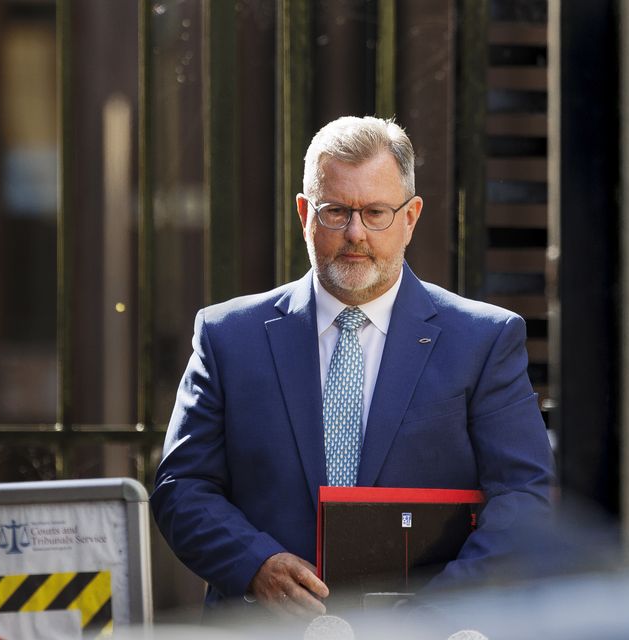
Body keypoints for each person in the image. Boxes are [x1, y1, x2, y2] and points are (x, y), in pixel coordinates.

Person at [150, 115, 554, 619]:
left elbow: (522, 497)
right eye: (337, 211)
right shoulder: (228, 336)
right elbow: (180, 489)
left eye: (376, 212)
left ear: (410, 217)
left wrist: (433, 611)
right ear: (304, 213)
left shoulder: (484, 339)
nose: (356, 233)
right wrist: (256, 566)